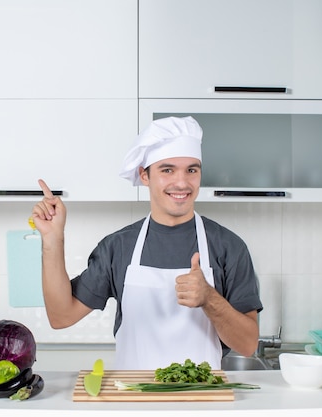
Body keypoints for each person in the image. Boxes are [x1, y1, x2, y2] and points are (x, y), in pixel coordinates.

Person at [31, 116, 262, 370]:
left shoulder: (229, 247)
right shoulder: (117, 247)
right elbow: (60, 316)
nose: (182, 182)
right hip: (134, 400)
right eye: (167, 170)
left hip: (200, 402)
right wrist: (53, 239)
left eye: (192, 170)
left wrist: (210, 299)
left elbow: (248, 345)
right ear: (144, 175)